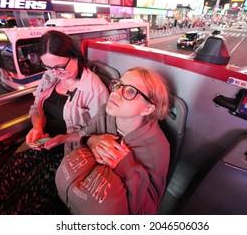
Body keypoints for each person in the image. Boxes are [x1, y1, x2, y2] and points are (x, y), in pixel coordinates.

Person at [0, 30, 109, 214]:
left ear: (75, 56)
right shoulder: (49, 78)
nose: (56, 73)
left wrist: (63, 138)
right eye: (48, 67)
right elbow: (35, 108)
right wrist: (37, 125)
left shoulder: (94, 90)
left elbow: (97, 134)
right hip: (42, 143)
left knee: (22, 203)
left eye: (60, 67)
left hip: (67, 154)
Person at [55, 67, 171, 214]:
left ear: (147, 109)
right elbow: (85, 139)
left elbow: (147, 209)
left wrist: (127, 169)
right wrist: (90, 141)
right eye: (118, 85)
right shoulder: (104, 112)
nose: (115, 93)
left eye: (130, 91)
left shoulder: (157, 148)